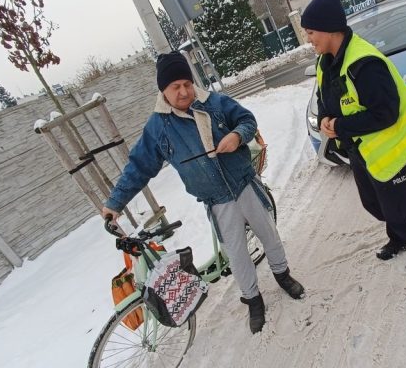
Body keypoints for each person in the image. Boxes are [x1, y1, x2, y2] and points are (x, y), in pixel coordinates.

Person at [101, 51, 304, 333]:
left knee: (269, 234)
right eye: (176, 86)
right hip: (218, 201)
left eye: (187, 83)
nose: (184, 91)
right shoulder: (159, 128)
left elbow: (247, 120)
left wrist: (237, 136)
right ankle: (254, 300)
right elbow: (138, 167)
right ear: (164, 90)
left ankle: (283, 276)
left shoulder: (214, 103)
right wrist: (115, 202)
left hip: (245, 184)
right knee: (237, 254)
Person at [301, 0, 406, 298]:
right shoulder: (326, 62)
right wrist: (325, 120)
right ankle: (400, 237)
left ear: (330, 28)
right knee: (374, 204)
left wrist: (340, 125)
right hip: (363, 149)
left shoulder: (365, 64)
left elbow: (386, 114)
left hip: (391, 150)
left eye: (311, 32)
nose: (309, 39)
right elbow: (325, 96)